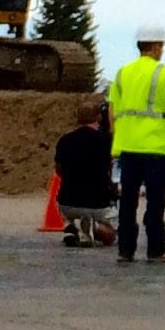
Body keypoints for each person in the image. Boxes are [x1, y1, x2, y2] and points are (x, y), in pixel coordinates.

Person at [107, 24, 165, 264]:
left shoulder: (122, 73)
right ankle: (156, 250)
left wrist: (117, 137)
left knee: (127, 201)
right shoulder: (164, 73)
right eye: (161, 45)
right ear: (156, 46)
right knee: (155, 202)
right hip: (156, 147)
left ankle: (126, 250)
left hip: (128, 147)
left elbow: (112, 112)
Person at [53, 96, 116, 246]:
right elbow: (112, 170)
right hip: (98, 205)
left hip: (68, 203)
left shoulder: (64, 140)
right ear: (98, 117)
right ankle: (95, 228)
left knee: (70, 209)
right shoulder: (107, 140)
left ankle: (71, 226)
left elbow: (59, 170)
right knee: (111, 236)